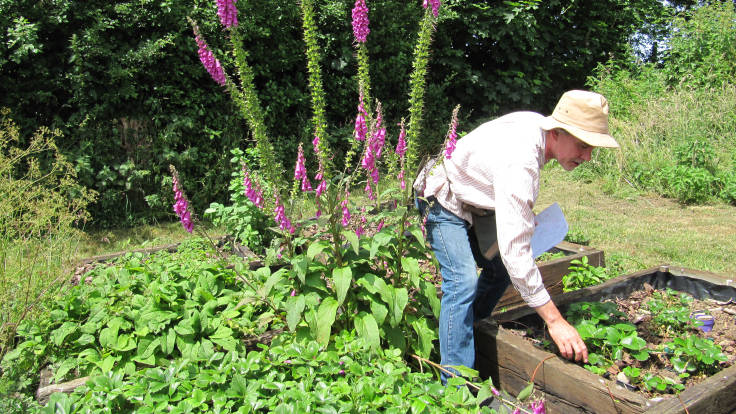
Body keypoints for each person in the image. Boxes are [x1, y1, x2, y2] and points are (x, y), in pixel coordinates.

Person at [413, 90, 619, 382]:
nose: (587, 156)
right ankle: (456, 389)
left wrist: (520, 216)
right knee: (462, 281)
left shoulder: (537, 128)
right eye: (583, 145)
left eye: (592, 149)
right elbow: (516, 254)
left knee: (498, 272)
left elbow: (503, 188)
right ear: (558, 131)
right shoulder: (521, 161)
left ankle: (462, 329)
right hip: (440, 196)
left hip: (472, 200)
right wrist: (555, 320)